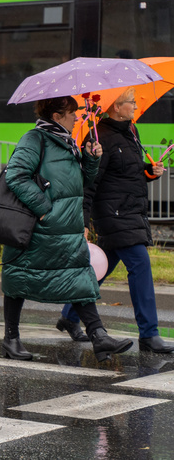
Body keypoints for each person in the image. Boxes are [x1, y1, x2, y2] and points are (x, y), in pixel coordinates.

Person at [2, 96, 133, 363]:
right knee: (19, 279)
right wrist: (44, 209)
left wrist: (91, 159)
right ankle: (11, 339)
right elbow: (15, 175)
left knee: (78, 277)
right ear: (57, 115)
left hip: (65, 228)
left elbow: (79, 183)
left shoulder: (67, 141)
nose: (77, 118)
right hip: (40, 229)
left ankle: (99, 336)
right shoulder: (35, 139)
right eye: (72, 113)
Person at [57, 88, 174, 353]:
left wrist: (150, 171)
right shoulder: (100, 138)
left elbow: (129, 174)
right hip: (114, 215)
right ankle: (149, 334)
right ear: (116, 107)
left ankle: (69, 316)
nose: (135, 106)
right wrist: (83, 222)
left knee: (100, 268)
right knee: (141, 266)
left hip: (130, 212)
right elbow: (90, 183)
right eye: (131, 102)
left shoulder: (132, 133)